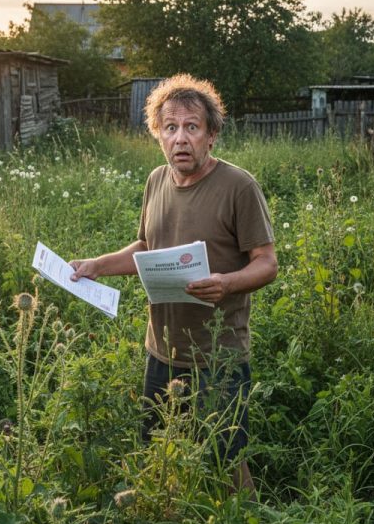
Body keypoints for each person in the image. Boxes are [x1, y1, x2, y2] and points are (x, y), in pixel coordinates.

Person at [70, 73, 277, 494]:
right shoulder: (155, 181)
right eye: (170, 127)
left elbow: (267, 264)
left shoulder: (239, 187)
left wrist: (227, 283)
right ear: (158, 135)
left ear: (211, 135)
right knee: (159, 452)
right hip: (161, 350)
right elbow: (147, 245)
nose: (180, 138)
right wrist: (97, 265)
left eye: (192, 127)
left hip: (218, 356)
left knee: (226, 458)